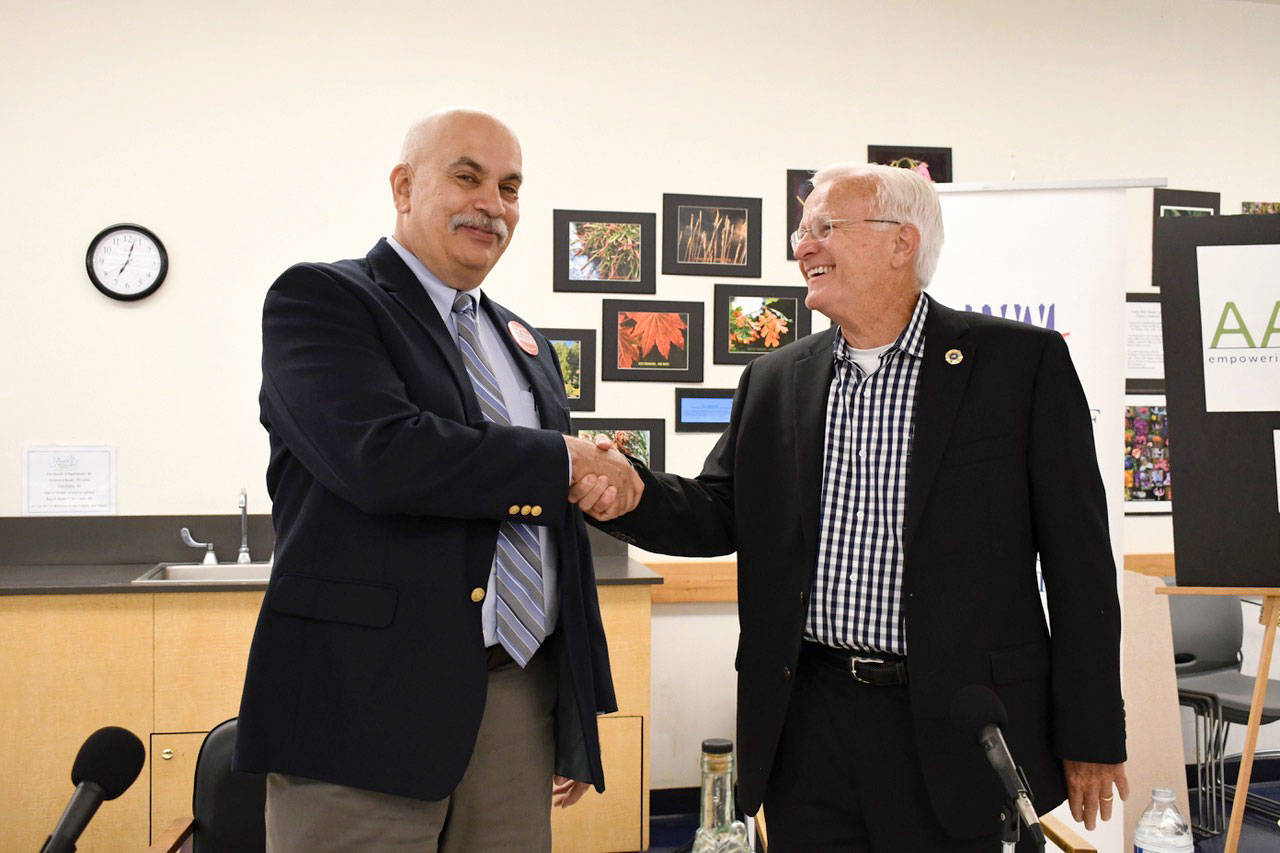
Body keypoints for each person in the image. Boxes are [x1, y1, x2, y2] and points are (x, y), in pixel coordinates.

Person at [579, 163, 1128, 850]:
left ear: (902, 243)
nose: (801, 246)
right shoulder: (775, 379)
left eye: (823, 227)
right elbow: (719, 510)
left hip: (955, 723)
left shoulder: (1019, 366)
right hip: (807, 720)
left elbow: (1080, 565)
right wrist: (630, 489)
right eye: (802, 230)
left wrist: (1090, 731)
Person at [234, 108, 641, 851]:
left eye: (511, 187)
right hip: (361, 710)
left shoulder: (523, 341)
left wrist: (572, 709)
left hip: (517, 699)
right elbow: (383, 456)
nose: (494, 203)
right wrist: (562, 460)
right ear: (403, 185)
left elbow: (547, 526)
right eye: (467, 176)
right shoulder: (323, 301)